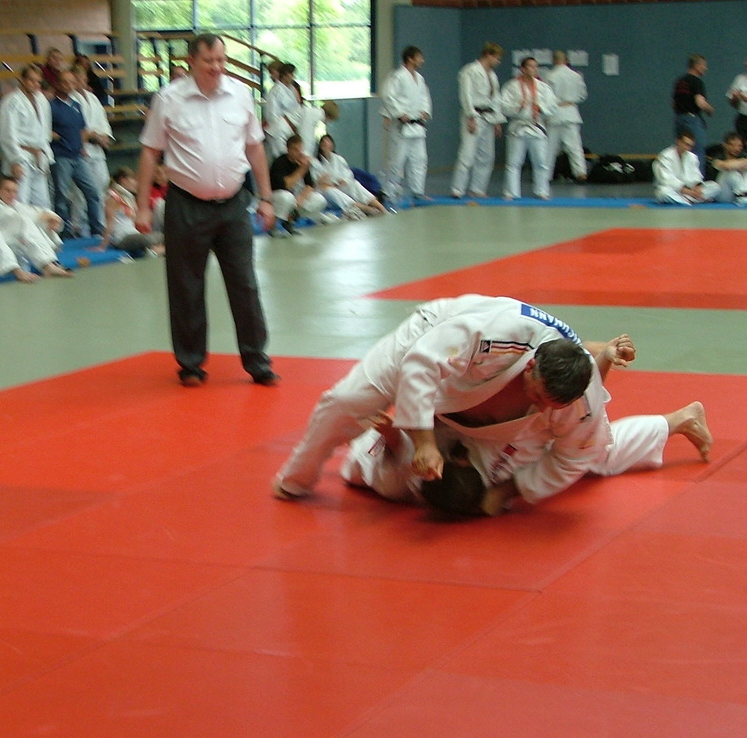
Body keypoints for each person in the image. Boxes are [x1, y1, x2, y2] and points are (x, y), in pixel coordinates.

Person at [272, 295, 604, 501]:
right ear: (530, 367)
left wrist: (508, 493)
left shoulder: (580, 396)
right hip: (432, 334)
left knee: (593, 452)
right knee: (347, 401)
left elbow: (575, 455)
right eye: (539, 396)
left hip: (471, 399)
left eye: (553, 405)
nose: (542, 407)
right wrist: (424, 443)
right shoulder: (499, 332)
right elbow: (422, 363)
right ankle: (297, 477)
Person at [341, 337, 712, 520]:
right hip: (509, 441)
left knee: (586, 440)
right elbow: (576, 444)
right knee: (594, 452)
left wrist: (394, 436)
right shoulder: (492, 473)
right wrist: (508, 492)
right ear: (466, 464)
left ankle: (667, 416)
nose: (451, 454)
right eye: (456, 458)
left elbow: (369, 462)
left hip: (478, 417)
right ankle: (675, 420)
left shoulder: (404, 476)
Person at [134, 33, 278, 388]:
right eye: (209, 61)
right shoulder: (169, 99)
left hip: (234, 204)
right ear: (191, 62)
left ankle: (257, 360)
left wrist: (266, 197)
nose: (216, 67)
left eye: (221, 60)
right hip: (186, 204)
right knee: (186, 285)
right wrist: (142, 207)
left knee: (245, 283)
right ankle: (190, 363)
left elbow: (255, 148)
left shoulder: (240, 95)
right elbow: (150, 152)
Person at [49, 69, 104, 239]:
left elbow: (82, 129)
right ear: (58, 83)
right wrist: (56, 137)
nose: (69, 86)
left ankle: (96, 229)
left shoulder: (76, 105)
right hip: (61, 156)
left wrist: (82, 146)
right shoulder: (51, 106)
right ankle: (64, 232)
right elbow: (44, 129)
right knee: (62, 196)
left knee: (93, 192)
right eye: (65, 82)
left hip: (78, 156)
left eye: (72, 82)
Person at [450, 42, 505, 199]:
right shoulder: (470, 70)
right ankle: (457, 189)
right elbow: (465, 95)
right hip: (474, 115)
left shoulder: (492, 76)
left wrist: (497, 121)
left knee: (486, 155)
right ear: (488, 55)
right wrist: (470, 116)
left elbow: (496, 99)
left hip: (489, 117)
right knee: (467, 153)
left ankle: (477, 188)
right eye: (497, 58)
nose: (498, 62)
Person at [0, 175, 73, 279]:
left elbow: (33, 211)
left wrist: (52, 218)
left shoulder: (15, 205)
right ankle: (45, 265)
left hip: (15, 249)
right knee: (26, 221)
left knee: (41, 221)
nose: (11, 195)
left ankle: (50, 264)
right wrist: (41, 217)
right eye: (7, 190)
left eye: (14, 191)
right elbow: (12, 216)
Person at [381, 46, 432, 204]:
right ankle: (388, 192)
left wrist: (425, 111)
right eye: (419, 57)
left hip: (417, 125)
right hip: (401, 126)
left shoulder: (420, 78)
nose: (422, 60)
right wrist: (398, 113)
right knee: (397, 161)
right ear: (410, 58)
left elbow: (424, 97)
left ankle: (418, 191)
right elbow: (388, 95)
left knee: (420, 159)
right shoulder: (398, 76)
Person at [501, 57, 557, 200]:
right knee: (513, 162)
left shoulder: (543, 87)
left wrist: (541, 108)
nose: (534, 69)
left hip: (537, 127)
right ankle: (511, 192)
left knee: (541, 162)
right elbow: (503, 107)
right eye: (531, 66)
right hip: (518, 128)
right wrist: (518, 106)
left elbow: (552, 106)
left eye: (535, 66)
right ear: (523, 69)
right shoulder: (511, 86)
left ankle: (542, 191)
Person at [0, 64, 53, 208]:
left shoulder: (42, 100)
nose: (35, 84)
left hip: (38, 157)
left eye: (38, 81)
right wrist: (15, 160)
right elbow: (6, 134)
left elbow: (45, 130)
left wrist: (45, 155)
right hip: (21, 156)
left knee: (43, 204)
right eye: (31, 80)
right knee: (20, 201)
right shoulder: (11, 101)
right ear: (22, 79)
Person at [311, 134, 387, 218]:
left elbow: (348, 175)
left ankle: (381, 207)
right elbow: (316, 183)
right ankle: (366, 209)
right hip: (326, 191)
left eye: (328, 142)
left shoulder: (338, 159)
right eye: (323, 142)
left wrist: (344, 180)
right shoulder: (315, 163)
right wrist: (325, 183)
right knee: (332, 191)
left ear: (332, 145)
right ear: (320, 146)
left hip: (339, 186)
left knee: (354, 184)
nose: (326, 144)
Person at [97, 166, 164, 260]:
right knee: (151, 239)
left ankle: (154, 251)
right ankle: (155, 251)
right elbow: (109, 223)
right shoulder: (113, 198)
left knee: (162, 236)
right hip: (122, 238)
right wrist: (103, 246)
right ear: (123, 180)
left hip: (133, 234)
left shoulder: (129, 197)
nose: (136, 183)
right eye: (133, 180)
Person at [269, 134, 330, 235]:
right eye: (295, 149)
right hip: (277, 196)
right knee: (287, 197)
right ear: (288, 149)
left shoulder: (301, 163)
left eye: (300, 149)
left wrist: (300, 200)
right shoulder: (279, 163)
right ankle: (273, 226)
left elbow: (310, 185)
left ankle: (290, 220)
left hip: (293, 197)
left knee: (319, 200)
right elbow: (286, 185)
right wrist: (302, 169)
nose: (299, 152)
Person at [544, 50, 588, 183]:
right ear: (567, 60)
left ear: (553, 61)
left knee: (550, 148)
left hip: (554, 114)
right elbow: (582, 95)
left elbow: (546, 96)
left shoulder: (550, 76)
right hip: (571, 112)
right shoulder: (576, 76)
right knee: (575, 146)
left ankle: (545, 175)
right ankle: (580, 173)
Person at [653, 129, 721, 205]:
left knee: (715, 187)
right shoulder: (665, 156)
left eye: (690, 146)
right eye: (686, 144)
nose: (688, 148)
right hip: (673, 190)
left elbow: (696, 175)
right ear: (678, 141)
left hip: (690, 191)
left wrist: (697, 187)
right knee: (663, 192)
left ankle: (685, 200)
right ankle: (689, 200)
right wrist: (687, 191)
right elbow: (667, 180)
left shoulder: (692, 157)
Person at [672, 54, 714, 171]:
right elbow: (700, 102)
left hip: (679, 119)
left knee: (681, 152)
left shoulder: (679, 81)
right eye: (704, 65)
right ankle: (696, 180)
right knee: (697, 153)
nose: (706, 68)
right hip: (692, 120)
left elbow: (673, 103)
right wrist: (710, 110)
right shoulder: (697, 81)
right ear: (696, 65)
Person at [708, 131, 747, 204]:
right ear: (725, 145)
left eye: (739, 146)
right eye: (732, 145)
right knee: (731, 172)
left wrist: (741, 164)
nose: (736, 149)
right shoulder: (718, 157)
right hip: (722, 194)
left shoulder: (742, 155)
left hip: (737, 195)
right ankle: (742, 196)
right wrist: (744, 162)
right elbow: (726, 166)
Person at [263, 63, 299, 159]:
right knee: (281, 158)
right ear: (284, 75)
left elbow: (296, 109)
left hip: (290, 129)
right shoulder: (275, 91)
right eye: (291, 74)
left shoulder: (292, 89)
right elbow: (271, 115)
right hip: (278, 130)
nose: (293, 77)